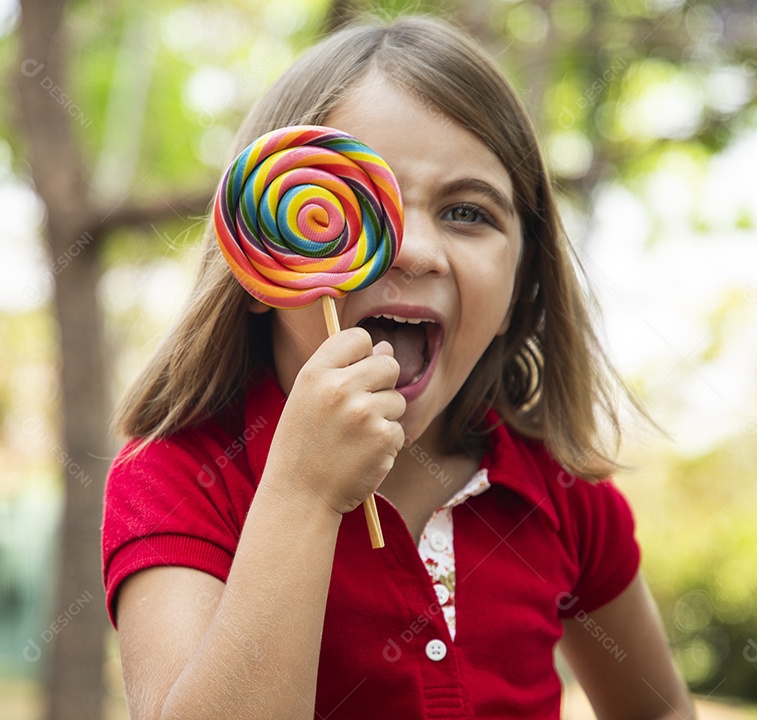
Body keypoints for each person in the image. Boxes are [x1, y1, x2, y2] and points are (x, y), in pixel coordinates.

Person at [102, 15, 693, 720]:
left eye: (468, 212)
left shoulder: (563, 495)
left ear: (521, 287)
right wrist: (304, 492)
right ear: (261, 261)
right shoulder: (178, 477)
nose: (411, 249)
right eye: (355, 204)